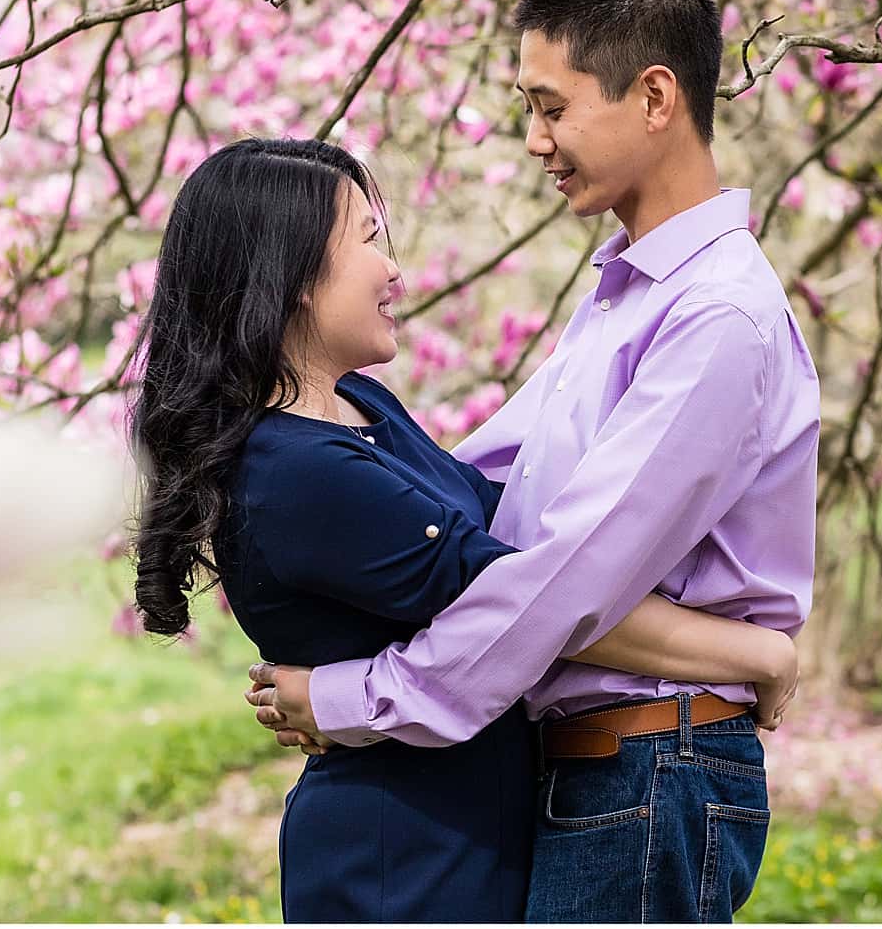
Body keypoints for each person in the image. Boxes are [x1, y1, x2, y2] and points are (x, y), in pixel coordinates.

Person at [248, 0, 821, 925]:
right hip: (614, 767)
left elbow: (567, 577)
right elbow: (475, 498)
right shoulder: (631, 297)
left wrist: (357, 700)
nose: (532, 140)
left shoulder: (713, 318)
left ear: (653, 97)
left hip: (649, 763)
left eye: (552, 107)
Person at [129, 136, 801, 925]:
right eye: (370, 240)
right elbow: (528, 595)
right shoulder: (298, 472)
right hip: (407, 858)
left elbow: (509, 520)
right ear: (295, 275)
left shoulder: (360, 411)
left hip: (466, 832)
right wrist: (756, 652)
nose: (394, 271)